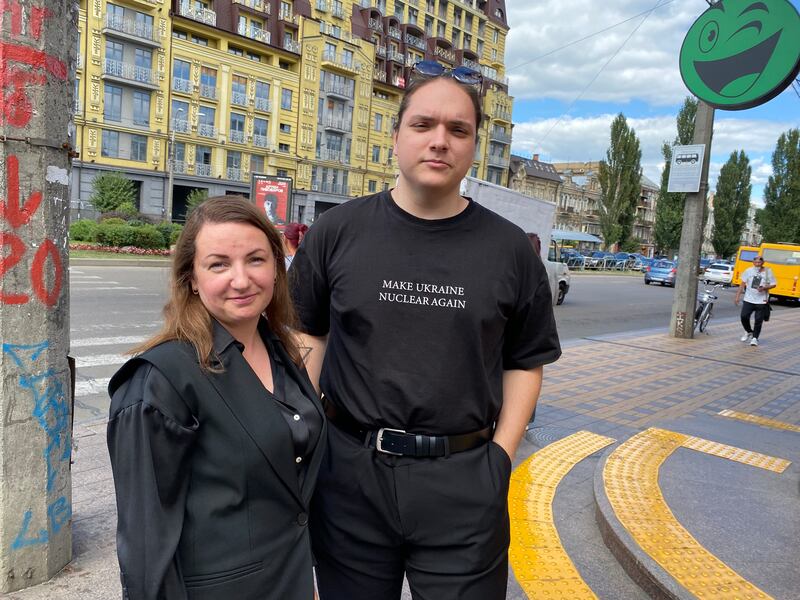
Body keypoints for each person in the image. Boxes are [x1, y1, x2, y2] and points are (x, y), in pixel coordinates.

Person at [289, 61, 561, 600]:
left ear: (474, 146)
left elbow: (525, 362)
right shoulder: (336, 232)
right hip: (350, 476)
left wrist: (499, 460)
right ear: (395, 137)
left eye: (458, 130)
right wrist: (307, 434)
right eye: (423, 125)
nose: (440, 141)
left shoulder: (510, 250)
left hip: (464, 478)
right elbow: (307, 336)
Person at [107, 196, 325, 600]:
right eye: (219, 264)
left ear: (277, 269)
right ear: (191, 277)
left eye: (256, 260)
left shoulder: (281, 351)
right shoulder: (161, 380)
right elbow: (145, 547)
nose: (241, 280)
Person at [735, 254, 776, 346]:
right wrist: (737, 296)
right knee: (744, 316)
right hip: (748, 299)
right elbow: (742, 284)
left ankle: (755, 338)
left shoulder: (768, 271)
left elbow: (774, 284)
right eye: (756, 262)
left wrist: (764, 287)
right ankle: (749, 331)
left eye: (759, 262)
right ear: (753, 263)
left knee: (758, 320)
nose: (757, 264)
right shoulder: (748, 271)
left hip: (762, 300)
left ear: (763, 263)